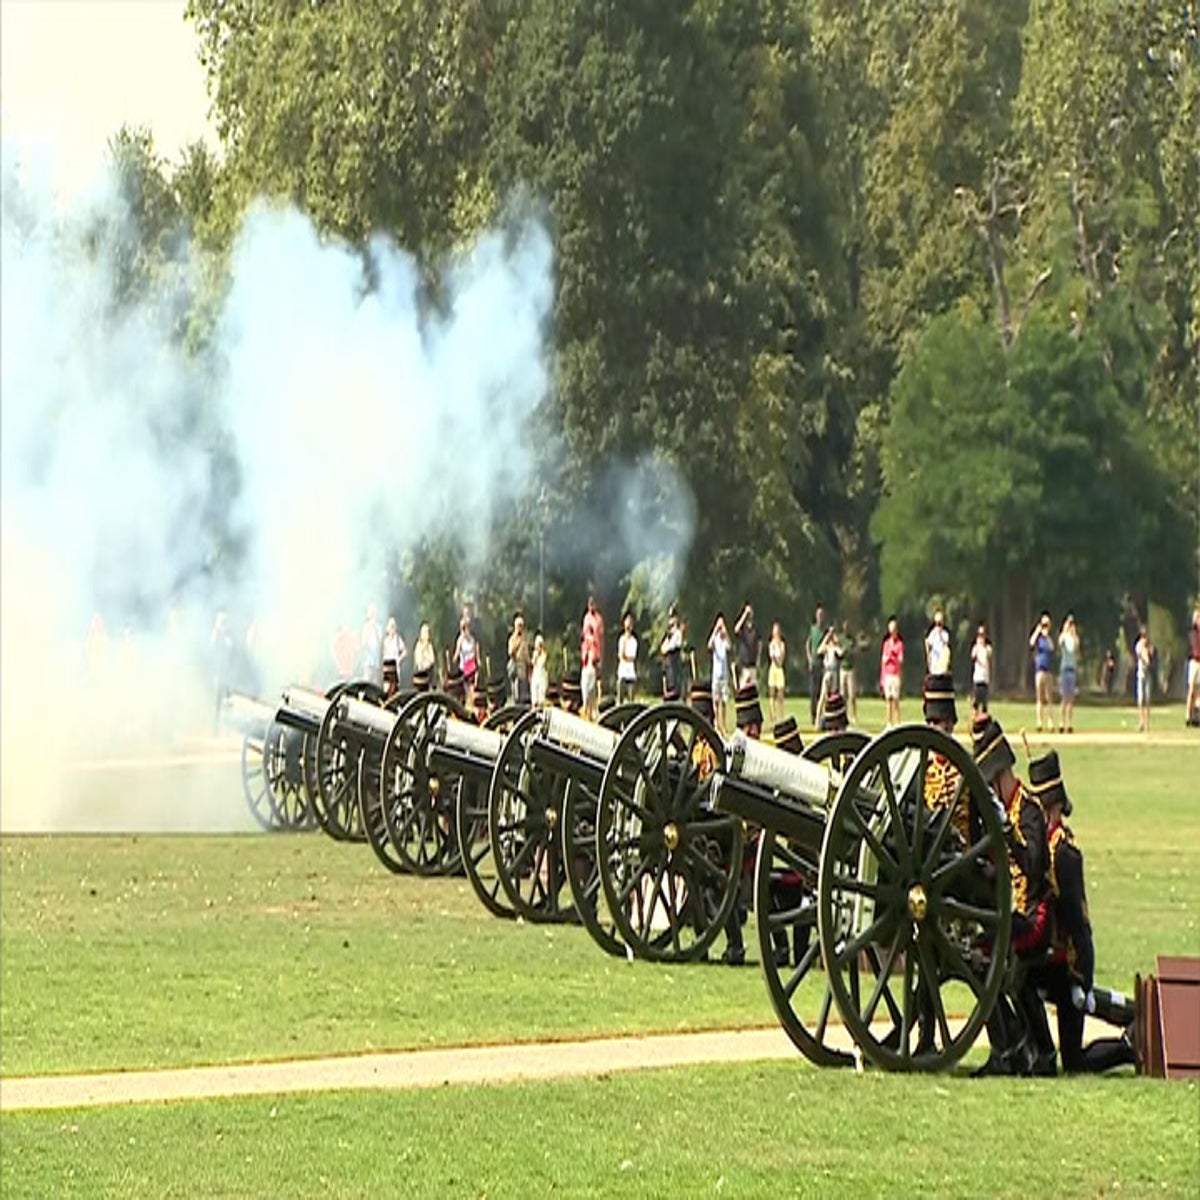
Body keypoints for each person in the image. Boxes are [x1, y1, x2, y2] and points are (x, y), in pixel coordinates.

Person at [1026, 751, 1137, 1075]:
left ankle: (1129, 1048)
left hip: (1066, 965)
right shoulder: (1039, 844)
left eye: (1047, 806)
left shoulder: (1064, 853)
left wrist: (1083, 978)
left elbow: (1078, 922)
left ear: (1057, 807)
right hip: (1044, 958)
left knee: (1074, 1061)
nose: (1044, 813)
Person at [971, 714, 1052, 1076]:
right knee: (974, 953)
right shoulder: (1003, 813)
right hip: (1013, 912)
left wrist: (1011, 836)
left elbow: (1034, 867)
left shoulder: (1029, 810)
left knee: (983, 955)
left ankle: (1014, 1045)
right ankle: (1010, 1043)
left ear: (1002, 774)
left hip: (1035, 916)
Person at [1029, 612, 1055, 732]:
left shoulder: (1048, 639)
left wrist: (1046, 635)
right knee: (1039, 698)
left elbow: (1051, 648)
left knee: (1049, 697)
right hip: (1039, 671)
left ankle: (1050, 722)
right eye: (1043, 624)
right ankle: (1039, 722)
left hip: (1048, 671)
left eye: (1047, 624)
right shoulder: (1038, 639)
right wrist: (1037, 631)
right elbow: (1031, 643)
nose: (1045, 627)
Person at [708, 613, 733, 734]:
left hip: (724, 674)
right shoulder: (715, 639)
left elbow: (729, 647)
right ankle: (717, 724)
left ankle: (724, 724)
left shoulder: (724, 639)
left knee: (724, 700)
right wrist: (715, 631)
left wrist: (725, 633)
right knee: (716, 700)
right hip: (716, 674)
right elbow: (709, 645)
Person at [580, 598, 603, 719]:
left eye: (593, 605)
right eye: (589, 605)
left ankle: (593, 709)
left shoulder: (598, 619)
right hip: (586, 656)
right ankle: (585, 707)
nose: (591, 607)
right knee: (585, 684)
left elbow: (599, 636)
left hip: (595, 654)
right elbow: (584, 635)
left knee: (592, 686)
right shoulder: (586, 618)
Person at [815, 624, 842, 725]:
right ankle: (817, 720)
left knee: (833, 696)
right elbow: (819, 650)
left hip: (834, 671)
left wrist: (836, 641)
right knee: (823, 696)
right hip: (827, 671)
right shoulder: (826, 647)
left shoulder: (834, 648)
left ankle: (832, 719)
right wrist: (827, 636)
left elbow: (840, 652)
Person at [879, 617, 904, 727]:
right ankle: (889, 722)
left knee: (896, 700)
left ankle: (897, 722)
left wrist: (893, 656)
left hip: (895, 674)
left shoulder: (899, 644)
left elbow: (900, 659)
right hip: (887, 674)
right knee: (888, 699)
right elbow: (884, 660)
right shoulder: (886, 644)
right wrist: (882, 678)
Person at [1058, 614, 1079, 733]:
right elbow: (1060, 642)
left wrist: (1073, 633)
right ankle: (1062, 722)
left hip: (1072, 669)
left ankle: (1069, 723)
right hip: (1065, 669)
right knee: (1064, 698)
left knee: (1071, 698)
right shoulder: (1064, 638)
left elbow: (1076, 646)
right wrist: (1065, 630)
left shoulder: (1074, 638)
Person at [455, 614, 480, 707]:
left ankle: (472, 705)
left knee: (472, 687)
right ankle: (468, 705)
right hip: (464, 667)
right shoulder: (460, 640)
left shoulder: (472, 639)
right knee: (466, 689)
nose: (464, 630)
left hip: (471, 666)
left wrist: (478, 661)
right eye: (462, 628)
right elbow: (457, 653)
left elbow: (475, 651)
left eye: (465, 628)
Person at [806, 605, 825, 725]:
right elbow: (807, 644)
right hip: (814, 662)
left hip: (822, 663)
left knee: (821, 692)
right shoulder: (813, 630)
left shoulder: (825, 631)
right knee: (813, 692)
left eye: (822, 615)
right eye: (819, 615)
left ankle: (820, 716)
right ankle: (813, 716)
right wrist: (809, 658)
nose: (820, 617)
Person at [734, 604, 760, 689]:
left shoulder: (755, 628)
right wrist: (744, 614)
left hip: (753, 664)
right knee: (743, 687)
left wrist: (758, 660)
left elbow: (759, 644)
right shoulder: (743, 628)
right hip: (744, 664)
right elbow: (736, 629)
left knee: (753, 687)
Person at [660, 608, 684, 698]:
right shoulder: (668, 635)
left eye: (673, 617)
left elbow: (671, 647)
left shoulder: (677, 633)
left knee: (674, 683)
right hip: (668, 664)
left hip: (674, 662)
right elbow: (662, 648)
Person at [507, 612, 530, 705]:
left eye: (522, 626)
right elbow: (511, 653)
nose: (521, 628)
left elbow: (526, 656)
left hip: (523, 670)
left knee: (523, 695)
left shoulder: (525, 640)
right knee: (516, 694)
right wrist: (517, 643)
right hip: (515, 670)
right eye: (519, 626)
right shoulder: (512, 639)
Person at [839, 621, 859, 724]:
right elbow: (837, 652)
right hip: (843, 668)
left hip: (851, 669)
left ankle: (854, 715)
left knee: (852, 694)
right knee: (843, 695)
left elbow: (856, 651)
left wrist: (850, 651)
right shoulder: (841, 639)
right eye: (845, 627)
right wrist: (841, 651)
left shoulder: (852, 640)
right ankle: (844, 715)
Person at [767, 621, 787, 726]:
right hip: (773, 668)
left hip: (779, 669)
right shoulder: (771, 644)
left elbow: (782, 656)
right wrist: (776, 659)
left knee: (781, 694)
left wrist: (780, 660)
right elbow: (772, 657)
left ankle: (781, 716)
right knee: (772, 694)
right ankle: (772, 717)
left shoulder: (782, 644)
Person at [970, 622, 993, 714]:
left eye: (982, 634)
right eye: (979, 634)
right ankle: (974, 720)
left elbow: (989, 657)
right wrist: (978, 646)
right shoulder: (975, 648)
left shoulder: (988, 649)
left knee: (984, 704)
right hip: (977, 679)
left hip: (985, 679)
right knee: (975, 703)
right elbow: (973, 657)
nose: (981, 637)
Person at [1134, 625, 1153, 732]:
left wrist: (1148, 649)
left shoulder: (1149, 647)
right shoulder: (1139, 646)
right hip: (1141, 674)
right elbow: (1144, 658)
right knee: (1141, 700)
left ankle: (1147, 724)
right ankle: (1141, 721)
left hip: (1148, 675)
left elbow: (1151, 660)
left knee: (1147, 699)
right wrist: (1145, 649)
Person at [616, 612, 638, 703]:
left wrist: (625, 657)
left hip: (631, 674)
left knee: (631, 699)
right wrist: (624, 642)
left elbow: (632, 657)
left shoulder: (634, 641)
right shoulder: (621, 639)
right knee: (620, 699)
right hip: (622, 673)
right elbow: (621, 655)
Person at [381, 616, 406, 696]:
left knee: (394, 688)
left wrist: (399, 659)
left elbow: (405, 651)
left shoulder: (398, 639)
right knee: (386, 688)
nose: (392, 629)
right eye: (390, 626)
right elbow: (384, 653)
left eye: (393, 626)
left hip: (395, 667)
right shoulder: (385, 641)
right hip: (387, 668)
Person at [360, 605, 382, 685]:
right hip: (367, 660)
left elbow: (380, 645)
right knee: (367, 680)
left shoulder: (378, 627)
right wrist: (369, 629)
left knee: (375, 682)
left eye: (374, 613)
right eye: (371, 613)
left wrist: (375, 629)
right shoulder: (365, 627)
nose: (373, 615)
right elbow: (363, 644)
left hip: (376, 661)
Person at [925, 609, 951, 675]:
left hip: (942, 666)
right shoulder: (932, 633)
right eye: (936, 623)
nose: (938, 625)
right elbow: (928, 646)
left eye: (940, 623)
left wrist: (940, 634)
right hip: (934, 665)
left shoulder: (945, 634)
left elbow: (946, 645)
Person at [1186, 606, 1200, 727]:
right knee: (1191, 690)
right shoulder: (1192, 633)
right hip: (1194, 662)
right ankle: (1188, 715)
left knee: (1199, 691)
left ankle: (1197, 716)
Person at [412, 622, 437, 689]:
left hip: (429, 672)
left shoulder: (430, 645)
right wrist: (423, 649)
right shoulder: (418, 645)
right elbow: (418, 660)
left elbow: (432, 660)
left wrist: (427, 660)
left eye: (427, 632)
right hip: (420, 673)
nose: (426, 634)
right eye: (425, 632)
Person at [530, 633, 549, 707]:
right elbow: (533, 663)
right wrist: (536, 656)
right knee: (534, 689)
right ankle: (534, 703)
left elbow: (542, 664)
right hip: (536, 674)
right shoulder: (535, 653)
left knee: (542, 690)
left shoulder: (544, 654)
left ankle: (541, 703)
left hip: (542, 674)